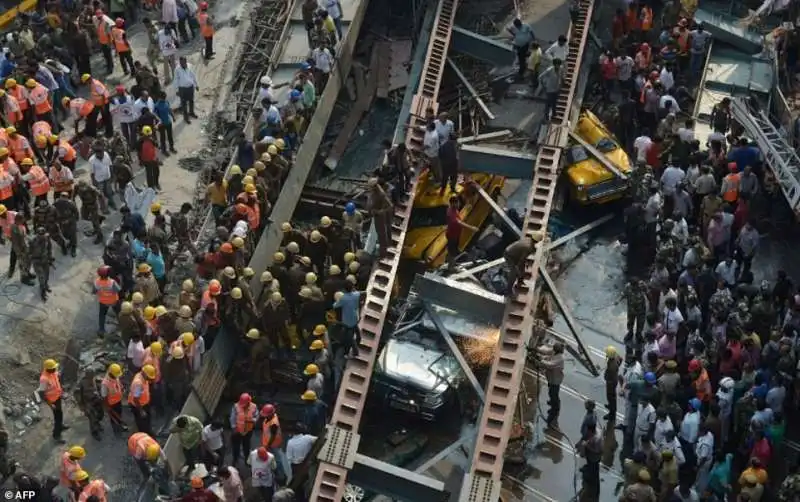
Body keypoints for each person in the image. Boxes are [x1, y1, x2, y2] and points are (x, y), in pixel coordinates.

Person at [38, 358, 68, 443]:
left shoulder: (53, 372)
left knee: (60, 414)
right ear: (49, 369)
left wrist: (61, 393)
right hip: (52, 401)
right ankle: (56, 435)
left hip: (57, 397)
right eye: (54, 368)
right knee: (57, 417)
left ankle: (61, 426)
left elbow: (57, 380)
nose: (55, 369)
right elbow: (41, 393)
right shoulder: (44, 379)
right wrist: (50, 404)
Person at [537, 342, 565, 428]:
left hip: (555, 380)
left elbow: (550, 364)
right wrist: (538, 349)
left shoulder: (560, 358)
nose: (553, 350)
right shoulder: (555, 353)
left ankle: (555, 408)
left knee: (553, 393)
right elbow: (547, 351)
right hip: (551, 378)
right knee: (551, 392)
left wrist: (541, 360)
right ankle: (553, 402)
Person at [175, 56, 199, 123]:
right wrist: (177, 90)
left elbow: (193, 75)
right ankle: (186, 118)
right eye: (181, 62)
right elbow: (176, 80)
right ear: (179, 62)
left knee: (191, 101)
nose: (182, 64)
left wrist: (196, 85)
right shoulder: (177, 69)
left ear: (186, 61)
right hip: (182, 89)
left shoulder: (190, 66)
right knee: (184, 103)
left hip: (190, 87)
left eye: (184, 62)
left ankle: (191, 113)